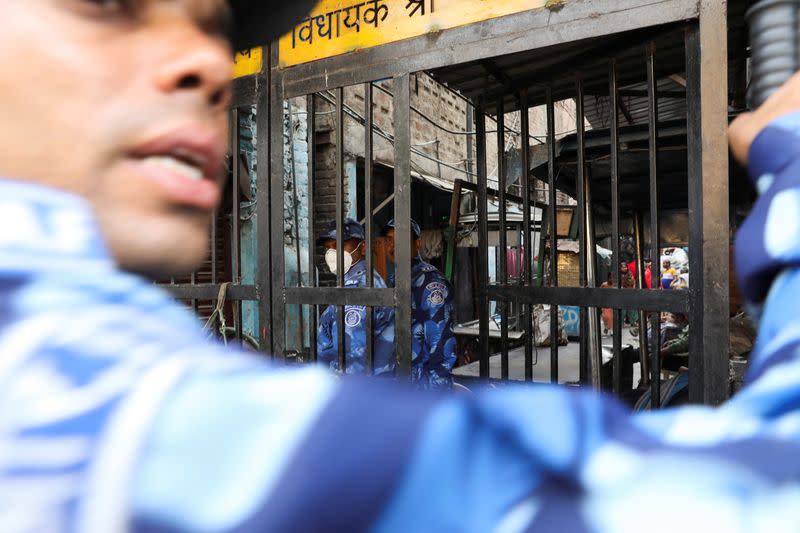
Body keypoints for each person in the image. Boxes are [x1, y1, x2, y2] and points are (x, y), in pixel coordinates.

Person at [7, 1, 800, 530]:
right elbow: (757, 496)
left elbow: (389, 339)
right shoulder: (77, 387)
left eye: (216, 26)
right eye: (108, 5)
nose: (207, 62)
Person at [382, 219, 456, 389]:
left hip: (421, 387)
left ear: (416, 244)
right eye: (389, 240)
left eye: (399, 239)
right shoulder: (397, 280)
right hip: (399, 384)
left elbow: (441, 343)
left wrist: (436, 395)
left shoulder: (431, 284)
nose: (393, 245)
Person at [316, 218, 395, 375]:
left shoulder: (358, 287)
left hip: (358, 389)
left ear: (363, 248)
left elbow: (352, 359)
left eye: (339, 245)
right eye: (328, 248)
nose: (332, 253)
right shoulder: (355, 281)